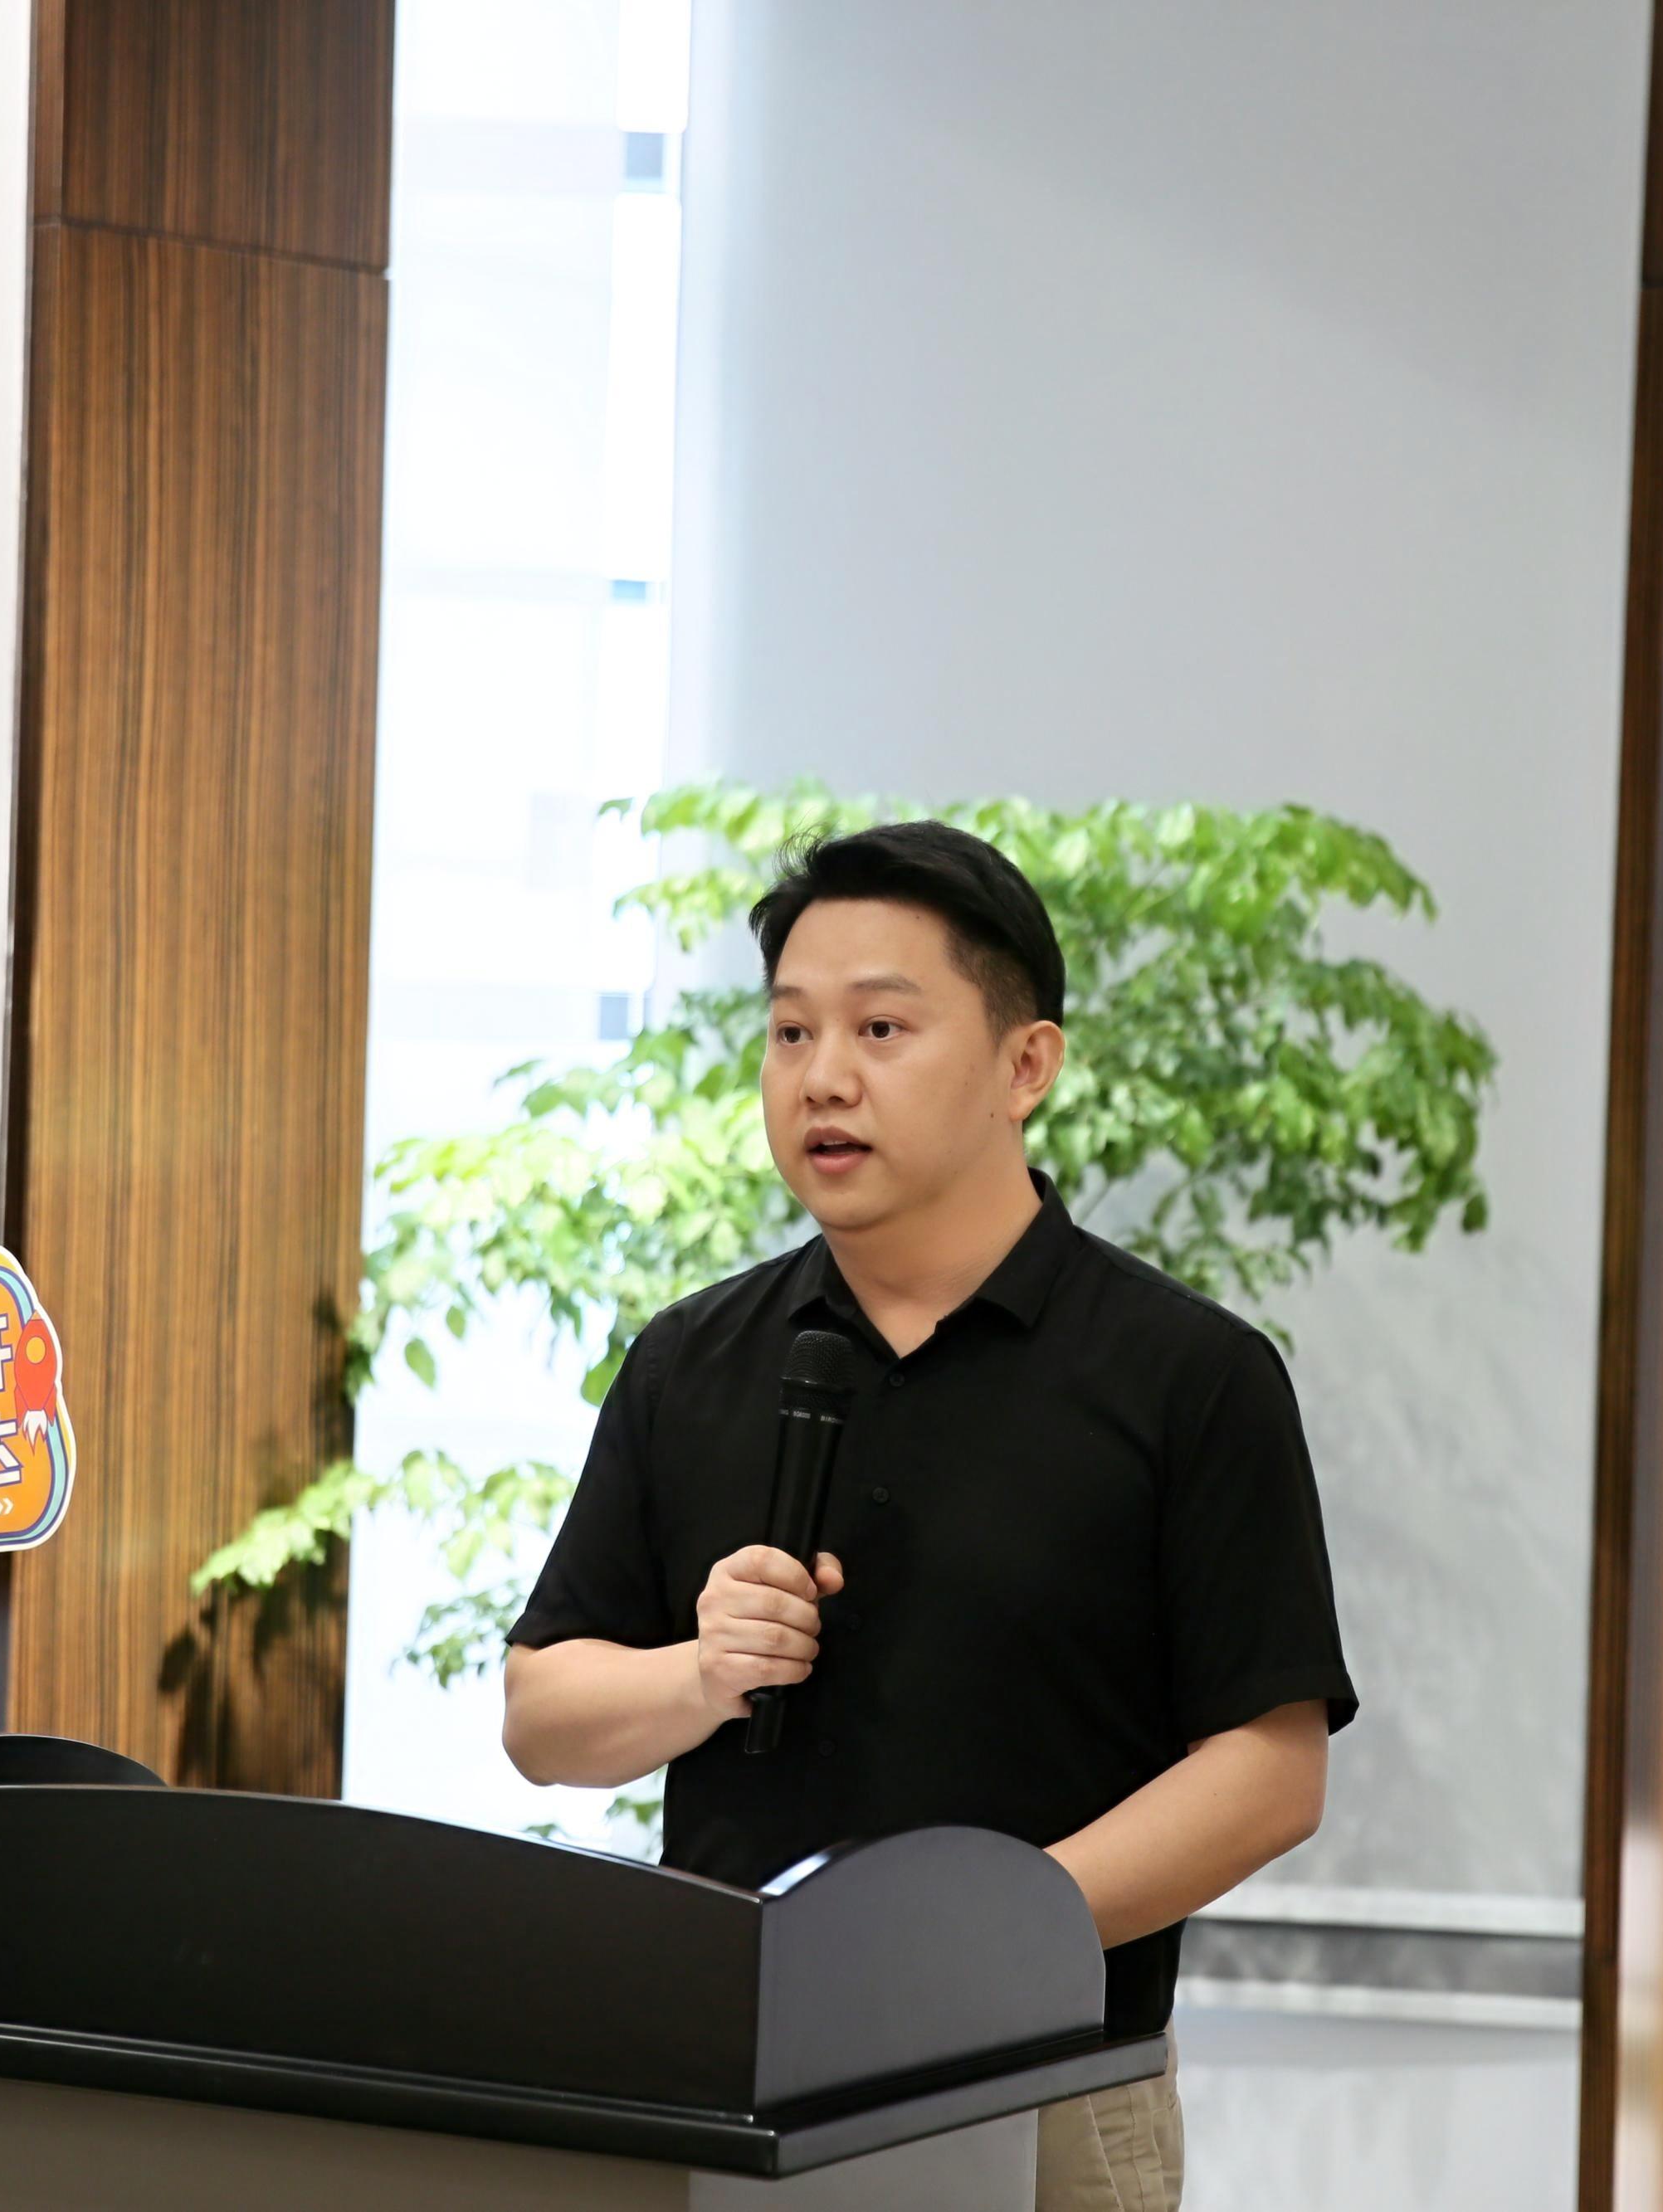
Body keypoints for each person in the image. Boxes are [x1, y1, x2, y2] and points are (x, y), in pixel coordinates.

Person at [501, 820, 1356, 2212]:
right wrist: (701, 1673)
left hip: (1045, 2087)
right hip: (730, 2085)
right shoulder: (692, 1359)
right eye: (791, 1032)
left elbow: (1270, 1767)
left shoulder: (1187, 1375)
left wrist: (979, 1939)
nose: (823, 1076)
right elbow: (542, 1714)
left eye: (881, 1027)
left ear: (1028, 1066)